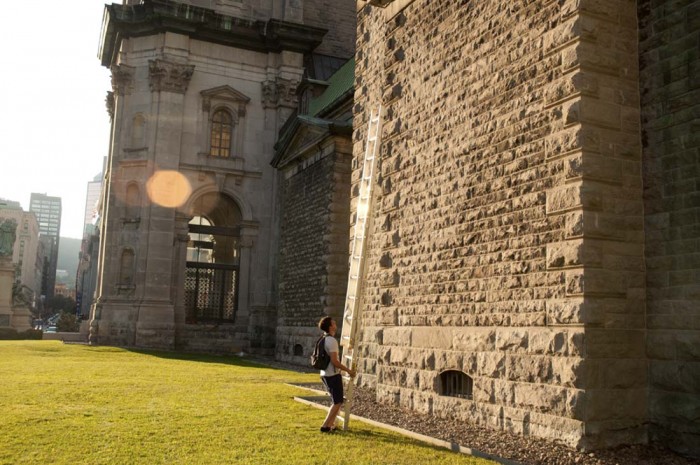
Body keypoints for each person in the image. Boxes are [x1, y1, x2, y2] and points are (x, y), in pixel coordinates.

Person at [317, 316, 355, 433]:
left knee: (336, 401)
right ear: (330, 327)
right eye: (333, 323)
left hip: (325, 374)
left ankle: (330, 425)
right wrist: (348, 370)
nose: (335, 324)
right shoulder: (331, 341)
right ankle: (325, 426)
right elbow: (334, 361)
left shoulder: (323, 338)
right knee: (337, 402)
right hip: (332, 375)